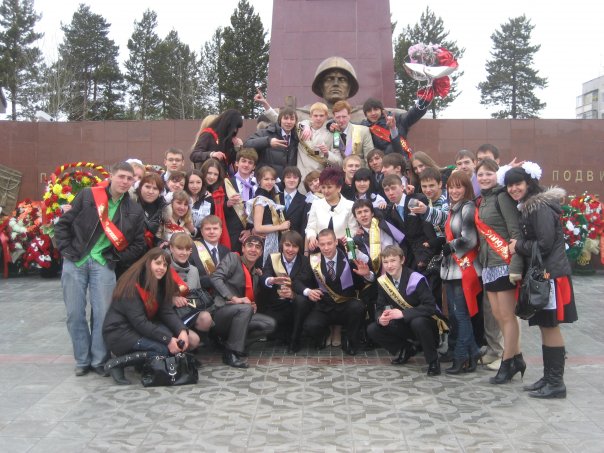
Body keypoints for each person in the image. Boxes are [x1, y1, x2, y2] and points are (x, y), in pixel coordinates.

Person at [55, 161, 146, 377]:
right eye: (121, 176)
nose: (125, 181)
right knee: (74, 313)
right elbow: (63, 224)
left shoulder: (134, 209)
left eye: (129, 178)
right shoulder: (88, 195)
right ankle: (82, 359)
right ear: (111, 176)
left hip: (104, 263)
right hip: (76, 260)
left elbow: (138, 244)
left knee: (103, 314)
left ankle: (99, 359)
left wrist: (116, 258)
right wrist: (66, 249)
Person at [505, 165, 578, 399]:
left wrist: (518, 246)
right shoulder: (531, 206)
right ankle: (549, 378)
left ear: (529, 183)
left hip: (550, 275)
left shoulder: (539, 207)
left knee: (550, 325)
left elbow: (545, 243)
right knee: (545, 325)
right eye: (509, 185)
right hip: (545, 274)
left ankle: (556, 382)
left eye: (518, 183)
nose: (513, 188)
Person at [102, 248, 192, 385]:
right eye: (158, 263)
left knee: (172, 339)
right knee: (162, 349)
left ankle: (141, 363)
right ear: (147, 263)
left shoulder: (159, 282)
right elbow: (140, 322)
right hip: (120, 333)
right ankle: (116, 363)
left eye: (165, 265)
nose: (162, 268)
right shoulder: (130, 285)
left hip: (138, 328)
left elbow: (166, 311)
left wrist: (182, 331)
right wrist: (168, 339)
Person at [475, 158, 525, 384]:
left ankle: (507, 362)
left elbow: (515, 232)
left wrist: (516, 266)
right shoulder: (483, 199)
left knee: (507, 316)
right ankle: (517, 358)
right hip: (489, 264)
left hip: (504, 263)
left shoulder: (502, 197)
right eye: (481, 174)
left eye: (489, 173)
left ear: (497, 175)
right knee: (498, 315)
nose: (484, 178)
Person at [367, 245, 443, 376]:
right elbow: (379, 307)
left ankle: (433, 360)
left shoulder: (415, 278)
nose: (389, 265)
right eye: (385, 262)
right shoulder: (383, 281)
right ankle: (406, 349)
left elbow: (430, 307)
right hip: (404, 323)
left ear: (402, 260)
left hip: (426, 324)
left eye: (393, 261)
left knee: (418, 322)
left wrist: (403, 313)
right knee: (373, 329)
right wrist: (381, 318)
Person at [303, 229, 374, 355]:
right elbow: (300, 281)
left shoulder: (349, 257)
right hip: (324, 307)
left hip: (345, 306)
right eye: (322, 244)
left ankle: (350, 340)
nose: (326, 248)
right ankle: (325, 334)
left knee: (358, 307)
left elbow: (365, 283)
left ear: (336, 242)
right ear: (318, 244)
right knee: (310, 326)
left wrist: (367, 275)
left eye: (329, 243)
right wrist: (308, 291)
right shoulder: (313, 260)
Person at [210, 235, 277, 368]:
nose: (253, 249)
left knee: (269, 324)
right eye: (250, 245)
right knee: (246, 308)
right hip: (220, 312)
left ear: (261, 252)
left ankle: (231, 344)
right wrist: (232, 298)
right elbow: (215, 277)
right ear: (243, 248)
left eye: (258, 247)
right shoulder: (233, 258)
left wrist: (252, 304)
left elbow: (247, 298)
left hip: (240, 313)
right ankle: (231, 353)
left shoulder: (255, 273)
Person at [440, 171, 483, 375]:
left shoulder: (467, 208)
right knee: (457, 316)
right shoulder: (453, 209)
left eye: (459, 187)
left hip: (464, 269)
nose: (454, 191)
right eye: (451, 187)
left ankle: (461, 356)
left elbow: (470, 239)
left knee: (461, 315)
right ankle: (473, 352)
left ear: (467, 188)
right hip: (451, 269)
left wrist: (450, 246)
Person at [260, 231, 315, 353]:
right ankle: (284, 335)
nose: (290, 249)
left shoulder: (305, 261)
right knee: (270, 328)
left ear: (299, 248)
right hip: (278, 305)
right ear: (282, 245)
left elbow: (303, 282)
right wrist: (272, 280)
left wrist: (293, 294)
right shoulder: (273, 258)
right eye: (287, 245)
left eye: (294, 246)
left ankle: (295, 340)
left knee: (301, 301)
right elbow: (264, 276)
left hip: (297, 306)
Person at [382, 174, 437, 272]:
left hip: (426, 251)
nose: (390, 193)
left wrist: (427, 253)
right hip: (408, 257)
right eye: (387, 190)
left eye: (393, 188)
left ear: (402, 187)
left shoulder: (415, 199)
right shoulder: (390, 210)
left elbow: (427, 227)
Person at [168, 233, 213, 338]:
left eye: (187, 249)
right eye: (180, 248)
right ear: (171, 248)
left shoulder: (194, 270)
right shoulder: (163, 267)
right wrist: (172, 299)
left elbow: (197, 295)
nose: (184, 253)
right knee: (193, 339)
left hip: (189, 313)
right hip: (169, 315)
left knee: (206, 318)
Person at [305, 168, 357, 254]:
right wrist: (312, 237)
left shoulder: (350, 205)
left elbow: (353, 229)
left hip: (344, 249)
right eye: (323, 187)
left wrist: (347, 237)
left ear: (339, 188)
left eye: (329, 187)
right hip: (321, 249)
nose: (326, 191)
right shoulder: (316, 204)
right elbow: (310, 227)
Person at [246, 166, 290, 264]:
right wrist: (280, 227)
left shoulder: (270, 198)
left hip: (272, 239)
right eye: (266, 179)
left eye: (272, 179)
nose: (270, 182)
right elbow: (258, 228)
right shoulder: (260, 200)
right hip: (264, 242)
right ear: (259, 181)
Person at [361, 97, 428, 158]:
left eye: (376, 109)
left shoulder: (397, 119)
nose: (373, 113)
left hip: (400, 160)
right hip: (380, 164)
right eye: (369, 111)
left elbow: (412, 114)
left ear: (382, 110)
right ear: (365, 114)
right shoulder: (363, 127)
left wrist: (425, 100)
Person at [244, 107, 299, 179]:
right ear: (280, 120)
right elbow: (247, 144)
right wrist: (268, 142)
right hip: (267, 180)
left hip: (287, 181)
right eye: (285, 118)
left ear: (295, 122)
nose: (289, 122)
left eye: (292, 119)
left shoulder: (296, 138)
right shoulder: (266, 132)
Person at [224, 148, 258, 252]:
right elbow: (218, 209)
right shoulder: (227, 183)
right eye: (243, 161)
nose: (246, 165)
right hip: (232, 233)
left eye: (250, 162)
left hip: (253, 234)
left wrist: (251, 230)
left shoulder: (257, 185)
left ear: (254, 167)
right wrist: (227, 204)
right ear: (236, 163)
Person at [296, 102, 341, 183]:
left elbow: (339, 161)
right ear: (310, 116)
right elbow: (287, 122)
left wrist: (327, 153)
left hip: (318, 178)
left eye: (321, 115)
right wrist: (306, 126)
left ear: (326, 116)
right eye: (315, 115)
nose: (318, 118)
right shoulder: (302, 127)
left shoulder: (335, 134)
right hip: (301, 176)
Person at [190, 109, 244, 175]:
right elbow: (194, 155)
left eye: (237, 128)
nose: (235, 130)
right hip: (208, 176)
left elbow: (230, 161)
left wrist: (237, 147)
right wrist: (212, 154)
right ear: (228, 124)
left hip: (222, 176)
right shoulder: (208, 134)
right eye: (234, 127)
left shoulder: (226, 138)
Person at [190, 215, 230, 293]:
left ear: (221, 231)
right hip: (201, 295)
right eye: (207, 229)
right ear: (201, 232)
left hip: (224, 295)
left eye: (215, 228)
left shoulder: (227, 251)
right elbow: (193, 278)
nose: (212, 232)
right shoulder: (192, 249)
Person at [135, 172, 166, 250]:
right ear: (140, 187)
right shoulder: (131, 203)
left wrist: (160, 243)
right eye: (147, 187)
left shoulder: (162, 209)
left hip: (150, 251)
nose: (151, 191)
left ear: (160, 192)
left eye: (155, 188)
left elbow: (154, 236)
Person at [276, 166, 307, 237]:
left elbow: (304, 226)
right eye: (288, 177)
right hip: (276, 240)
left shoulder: (304, 200)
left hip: (295, 241)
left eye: (295, 177)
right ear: (283, 179)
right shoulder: (275, 198)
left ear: (299, 180)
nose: (292, 180)